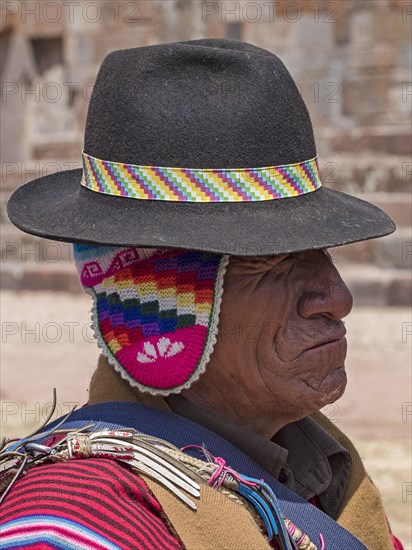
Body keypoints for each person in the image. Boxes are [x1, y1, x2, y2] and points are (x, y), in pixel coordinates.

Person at [1, 39, 403, 550]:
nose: (337, 298)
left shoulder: (327, 480)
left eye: (322, 253)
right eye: (275, 262)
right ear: (165, 306)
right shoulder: (72, 524)